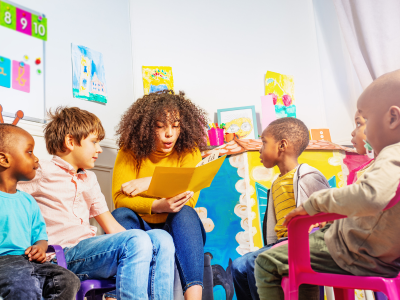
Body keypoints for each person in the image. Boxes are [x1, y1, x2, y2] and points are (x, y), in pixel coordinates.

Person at [255, 70, 400, 300]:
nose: (363, 131)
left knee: (266, 262)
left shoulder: (393, 155)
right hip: (377, 255)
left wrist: (315, 203)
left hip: (353, 252)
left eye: (366, 120)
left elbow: (371, 195)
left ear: (393, 118)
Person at [18, 107, 175, 300]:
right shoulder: (42, 171)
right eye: (94, 142)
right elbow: (7, 191)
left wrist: (144, 243)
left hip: (90, 251)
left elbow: (111, 226)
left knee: (162, 238)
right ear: (70, 142)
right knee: (137, 240)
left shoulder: (89, 179)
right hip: (61, 256)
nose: (99, 149)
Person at [111, 90, 209, 300]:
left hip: (177, 226)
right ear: (147, 127)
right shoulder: (129, 150)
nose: (169, 134)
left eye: (175, 126)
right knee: (120, 215)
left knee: (186, 212)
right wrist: (158, 205)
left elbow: (188, 196)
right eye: (160, 126)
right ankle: (120, 294)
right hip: (141, 224)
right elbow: (120, 200)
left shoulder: (188, 149)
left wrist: (147, 183)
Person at [230, 117, 330, 300]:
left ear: (282, 145)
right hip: (282, 243)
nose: (260, 149)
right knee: (237, 266)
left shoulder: (309, 176)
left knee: (256, 262)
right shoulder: (276, 183)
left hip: (306, 244)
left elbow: (330, 209)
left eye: (264, 143)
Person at [0, 124, 80, 300]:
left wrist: (39, 248)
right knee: (24, 284)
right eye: (29, 152)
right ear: (4, 159)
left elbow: (40, 237)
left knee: (68, 280)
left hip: (27, 261)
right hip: (3, 263)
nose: (36, 159)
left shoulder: (28, 200)